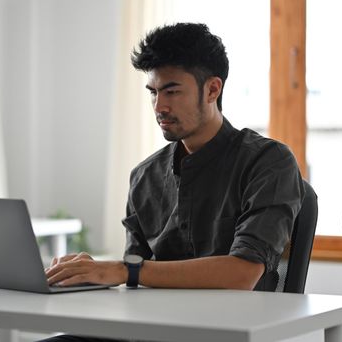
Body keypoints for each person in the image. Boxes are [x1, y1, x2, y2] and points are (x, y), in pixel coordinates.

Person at [41, 23, 304, 341]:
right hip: (151, 332)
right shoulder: (144, 176)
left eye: (172, 91)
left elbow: (242, 273)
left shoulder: (268, 161)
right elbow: (133, 283)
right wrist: (88, 275)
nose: (159, 107)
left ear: (212, 90)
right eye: (153, 92)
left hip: (226, 334)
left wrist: (126, 270)